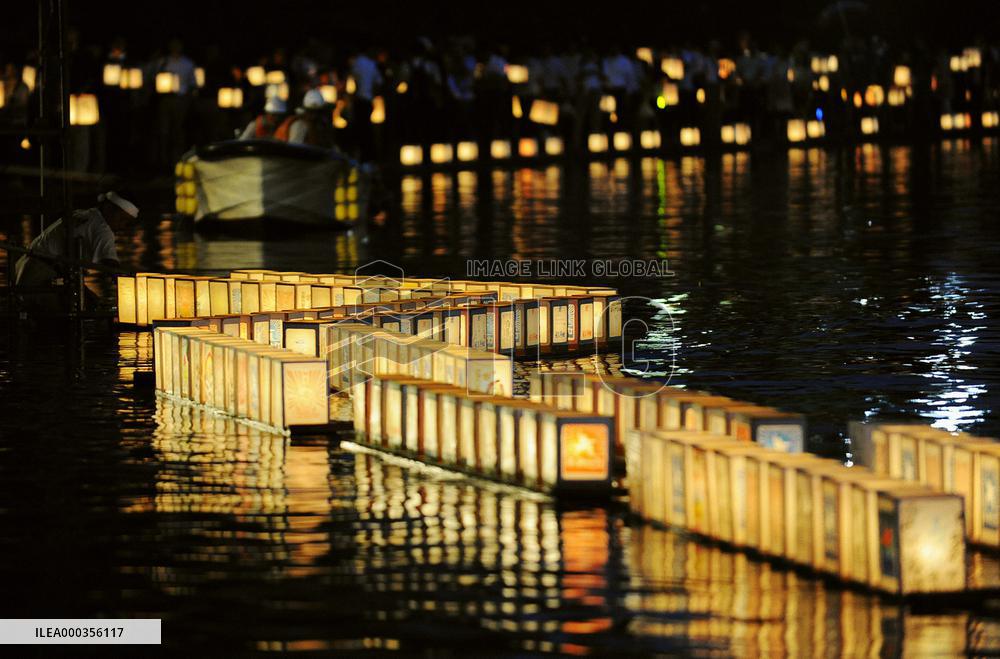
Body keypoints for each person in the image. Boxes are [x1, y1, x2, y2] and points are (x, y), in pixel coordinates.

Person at [14, 192, 138, 312]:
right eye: (121, 219)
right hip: (40, 277)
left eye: (126, 223)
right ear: (109, 208)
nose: (122, 225)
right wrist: (133, 285)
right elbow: (111, 266)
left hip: (24, 268)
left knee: (91, 301)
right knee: (81, 310)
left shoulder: (85, 215)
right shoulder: (102, 228)